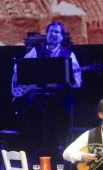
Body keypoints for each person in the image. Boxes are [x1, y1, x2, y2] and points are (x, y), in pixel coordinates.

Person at [12, 21, 82, 157]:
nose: (53, 34)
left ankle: (54, 150)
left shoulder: (68, 54)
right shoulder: (36, 50)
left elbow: (77, 81)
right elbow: (18, 68)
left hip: (58, 95)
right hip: (37, 93)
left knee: (59, 110)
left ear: (62, 36)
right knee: (31, 106)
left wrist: (71, 79)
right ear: (47, 34)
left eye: (57, 32)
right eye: (51, 32)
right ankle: (33, 149)